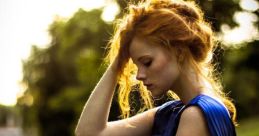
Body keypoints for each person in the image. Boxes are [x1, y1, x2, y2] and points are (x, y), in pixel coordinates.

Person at [75, 0, 237, 135]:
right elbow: (89, 132)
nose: (139, 75)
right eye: (135, 64)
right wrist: (118, 62)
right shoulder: (172, 112)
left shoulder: (196, 114)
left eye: (146, 62)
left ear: (179, 52)